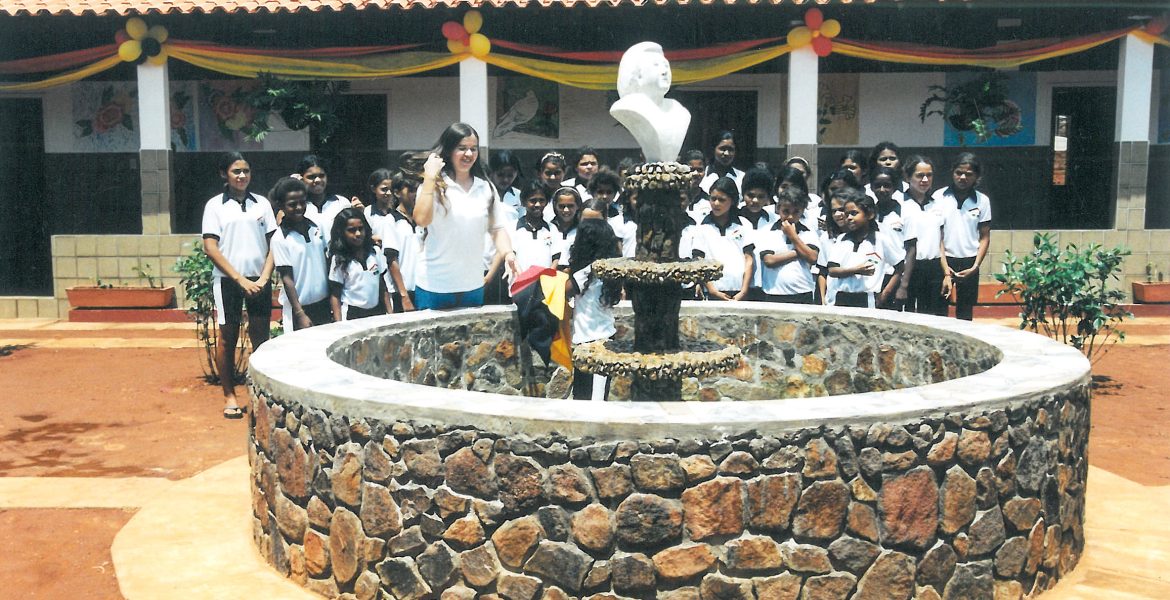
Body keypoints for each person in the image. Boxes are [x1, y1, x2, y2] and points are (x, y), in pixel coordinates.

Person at [200, 152, 276, 419]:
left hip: (260, 281)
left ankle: (261, 394)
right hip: (228, 282)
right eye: (236, 171)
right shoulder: (215, 206)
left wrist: (263, 278)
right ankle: (229, 395)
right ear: (225, 174)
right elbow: (211, 247)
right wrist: (239, 279)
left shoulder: (262, 204)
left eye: (246, 171)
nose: (242, 176)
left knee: (261, 338)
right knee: (228, 338)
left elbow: (274, 245)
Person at [414, 122, 518, 310]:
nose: (468, 154)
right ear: (449, 150)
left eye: (473, 149)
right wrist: (430, 177)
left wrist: (508, 253)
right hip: (434, 286)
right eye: (462, 148)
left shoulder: (485, 187)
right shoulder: (435, 186)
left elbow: (497, 229)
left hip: (472, 285)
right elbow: (422, 219)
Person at [565, 218, 622, 401]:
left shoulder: (588, 272)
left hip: (591, 341)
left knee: (589, 398)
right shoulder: (608, 270)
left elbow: (565, 288)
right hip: (603, 336)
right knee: (595, 394)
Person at [609, 41, 691, 163]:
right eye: (656, 65)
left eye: (666, 66)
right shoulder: (632, 105)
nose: (664, 71)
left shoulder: (679, 111)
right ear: (638, 75)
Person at [826, 189, 905, 309]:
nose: (849, 218)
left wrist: (885, 293)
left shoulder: (880, 240)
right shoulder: (842, 239)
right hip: (842, 296)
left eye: (854, 213)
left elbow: (900, 267)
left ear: (870, 214)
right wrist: (855, 270)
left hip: (867, 298)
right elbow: (832, 270)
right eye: (847, 214)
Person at [270, 177, 329, 333]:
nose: (299, 207)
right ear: (281, 205)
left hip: (323, 304)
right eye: (292, 204)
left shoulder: (316, 227)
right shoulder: (280, 238)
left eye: (302, 202)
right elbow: (287, 278)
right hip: (300, 309)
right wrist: (300, 313)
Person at [938, 152, 991, 321]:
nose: (962, 177)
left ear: (976, 177)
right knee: (940, 310)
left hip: (969, 262)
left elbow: (984, 237)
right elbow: (937, 236)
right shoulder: (938, 197)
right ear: (952, 172)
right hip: (944, 261)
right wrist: (945, 268)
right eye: (958, 173)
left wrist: (975, 266)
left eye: (969, 174)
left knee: (965, 313)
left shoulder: (982, 201)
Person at [692, 176, 754, 301]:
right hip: (713, 290)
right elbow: (699, 260)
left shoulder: (744, 224)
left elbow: (749, 259)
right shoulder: (702, 227)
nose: (716, 204)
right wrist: (712, 290)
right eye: (713, 198)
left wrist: (744, 291)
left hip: (739, 290)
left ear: (732, 201)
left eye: (722, 200)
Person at [757, 187, 820, 304]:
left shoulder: (808, 232)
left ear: (802, 211)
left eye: (796, 212)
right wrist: (799, 253)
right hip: (774, 292)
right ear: (778, 209)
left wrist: (793, 236)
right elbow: (769, 261)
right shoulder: (766, 231)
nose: (790, 217)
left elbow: (812, 258)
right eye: (786, 211)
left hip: (802, 292)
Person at [902, 155, 947, 316]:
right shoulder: (900, 204)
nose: (925, 180)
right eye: (920, 175)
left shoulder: (937, 204)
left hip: (933, 268)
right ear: (908, 177)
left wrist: (946, 273)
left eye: (929, 175)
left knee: (933, 316)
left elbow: (940, 241)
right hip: (909, 269)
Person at [328, 208, 390, 321]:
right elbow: (335, 295)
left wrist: (390, 314)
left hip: (377, 310)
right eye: (351, 230)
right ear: (342, 232)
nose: (358, 234)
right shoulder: (339, 259)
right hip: (353, 313)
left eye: (361, 229)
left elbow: (382, 286)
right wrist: (339, 324)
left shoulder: (375, 253)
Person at [870, 167, 917, 310]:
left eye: (887, 185)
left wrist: (903, 286)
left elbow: (911, 250)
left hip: (896, 276)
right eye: (878, 186)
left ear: (895, 187)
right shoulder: (868, 213)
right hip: (872, 276)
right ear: (871, 187)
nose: (882, 189)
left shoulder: (906, 213)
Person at [298, 155, 361, 242]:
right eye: (311, 177)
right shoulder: (298, 207)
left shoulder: (341, 203)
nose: (317, 180)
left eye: (321, 176)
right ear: (301, 179)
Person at [382, 170, 420, 313]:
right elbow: (392, 261)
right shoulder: (391, 221)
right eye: (410, 190)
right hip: (405, 292)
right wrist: (404, 296)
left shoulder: (422, 219)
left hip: (424, 289)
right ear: (397, 193)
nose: (415, 194)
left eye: (417, 190)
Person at [739, 167, 777, 301]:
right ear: (743, 194)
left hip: (766, 286)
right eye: (750, 195)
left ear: (768, 198)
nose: (755, 200)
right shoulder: (734, 219)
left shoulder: (774, 220)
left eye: (761, 197)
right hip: (738, 286)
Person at [508, 180, 560, 273]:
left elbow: (556, 257)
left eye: (542, 200)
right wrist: (521, 278)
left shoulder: (552, 228)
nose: (538, 205)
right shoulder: (512, 227)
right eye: (533, 201)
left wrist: (548, 276)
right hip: (519, 280)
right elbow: (510, 255)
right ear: (523, 202)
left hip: (545, 282)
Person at [550, 186, 582, 268]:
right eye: (561, 206)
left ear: (578, 206)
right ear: (555, 206)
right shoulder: (548, 228)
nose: (566, 210)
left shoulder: (583, 230)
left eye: (570, 206)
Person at [363, 168, 397, 239]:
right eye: (384, 189)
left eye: (391, 189)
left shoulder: (397, 212)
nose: (388, 193)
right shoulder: (367, 213)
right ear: (373, 189)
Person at [490, 150, 525, 220]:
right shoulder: (482, 194)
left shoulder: (519, 196)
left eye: (510, 176)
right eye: (500, 175)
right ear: (491, 172)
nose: (505, 179)